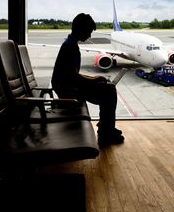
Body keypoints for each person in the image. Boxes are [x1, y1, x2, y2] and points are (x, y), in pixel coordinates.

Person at [51, 12, 124, 147]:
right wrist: (92, 80)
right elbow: (72, 77)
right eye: (89, 31)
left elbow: (72, 74)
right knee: (109, 92)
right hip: (67, 88)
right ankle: (105, 133)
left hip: (67, 85)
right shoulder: (70, 47)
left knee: (107, 89)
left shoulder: (70, 44)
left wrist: (93, 78)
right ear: (81, 29)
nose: (90, 35)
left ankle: (106, 129)